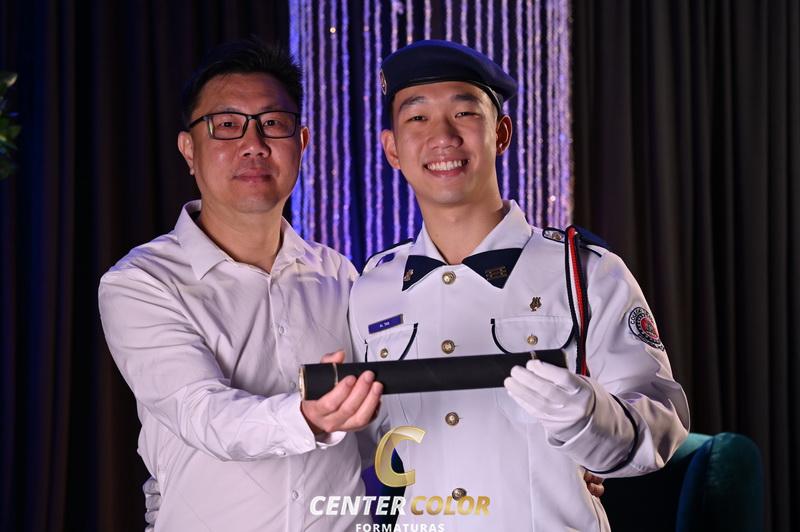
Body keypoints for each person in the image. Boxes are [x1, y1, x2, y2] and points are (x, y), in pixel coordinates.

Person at [349, 39, 690, 531]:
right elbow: (364, 442)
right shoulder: (371, 289)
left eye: (464, 113)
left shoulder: (585, 272)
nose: (442, 136)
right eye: (417, 118)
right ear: (392, 149)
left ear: (501, 133)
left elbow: (661, 425)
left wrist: (589, 419)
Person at [98, 39, 382, 532]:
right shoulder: (142, 282)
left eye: (273, 123)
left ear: (302, 142)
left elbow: (373, 433)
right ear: (189, 150)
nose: (254, 144)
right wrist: (308, 419)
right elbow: (201, 413)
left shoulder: (340, 274)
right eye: (227, 125)